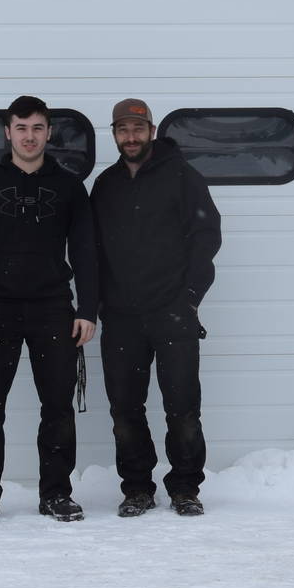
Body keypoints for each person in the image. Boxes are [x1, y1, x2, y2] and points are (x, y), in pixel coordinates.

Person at [0, 95, 98, 525]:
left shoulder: (70, 186)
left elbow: (86, 252)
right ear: (7, 132)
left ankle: (55, 494)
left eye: (37, 128)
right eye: (21, 128)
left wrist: (87, 308)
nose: (29, 136)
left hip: (53, 309)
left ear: (49, 132)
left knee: (56, 406)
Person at [91, 98, 222, 518]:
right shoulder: (106, 185)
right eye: (122, 130)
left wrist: (189, 298)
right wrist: (96, 305)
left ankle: (185, 487)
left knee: (182, 408)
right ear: (114, 135)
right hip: (122, 318)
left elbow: (206, 238)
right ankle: (137, 488)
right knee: (125, 410)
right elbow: (91, 249)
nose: (130, 137)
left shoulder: (183, 177)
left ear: (151, 130)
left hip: (173, 314)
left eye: (137, 129)